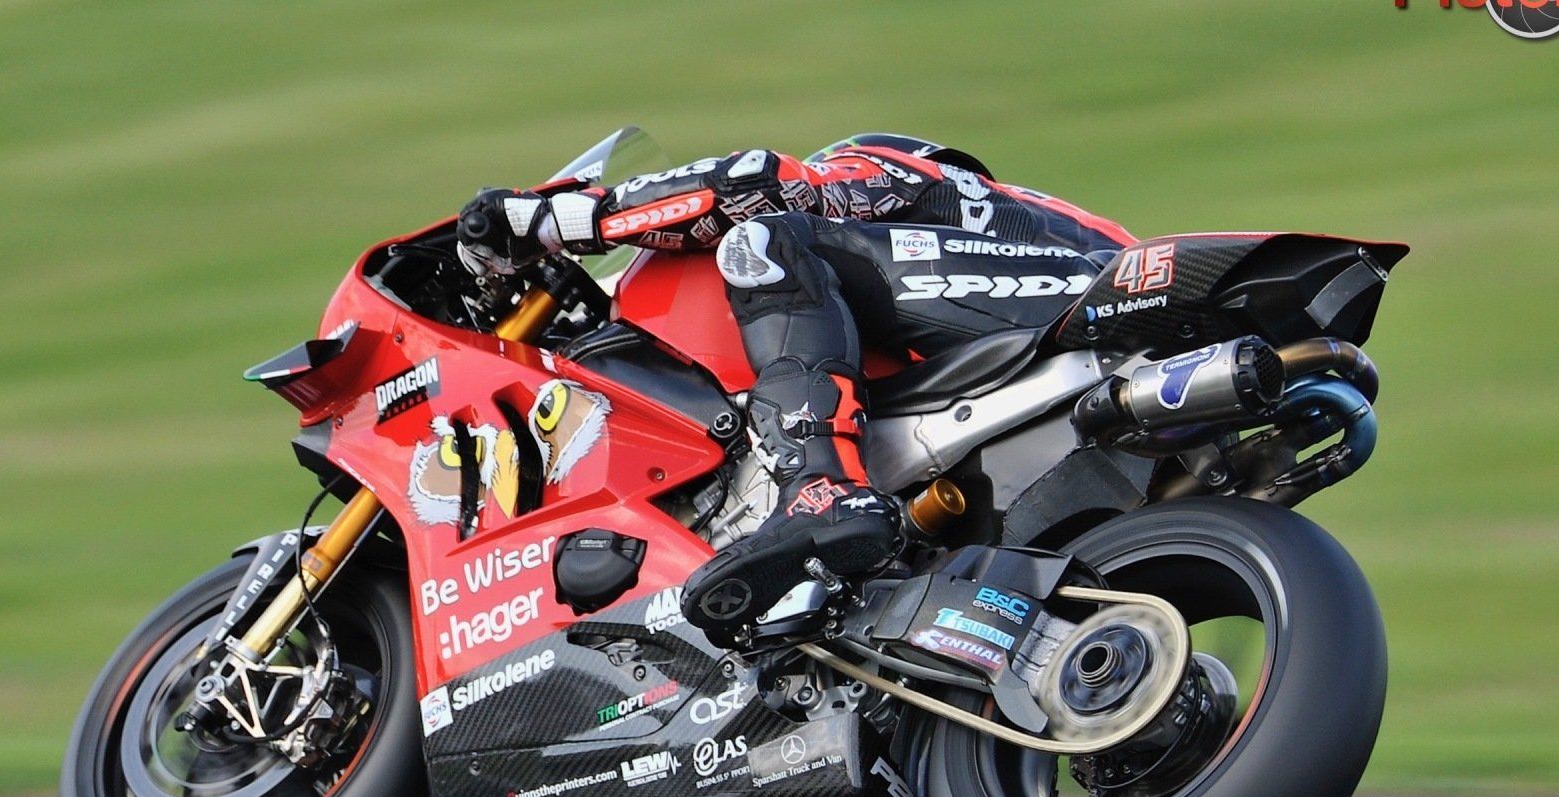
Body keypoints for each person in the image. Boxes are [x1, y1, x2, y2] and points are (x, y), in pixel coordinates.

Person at [456, 134, 1134, 642]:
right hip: (1075, 355)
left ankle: (821, 485)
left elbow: (762, 180)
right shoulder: (1031, 219)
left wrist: (562, 220)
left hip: (1082, 304)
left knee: (763, 242)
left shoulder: (904, 172)